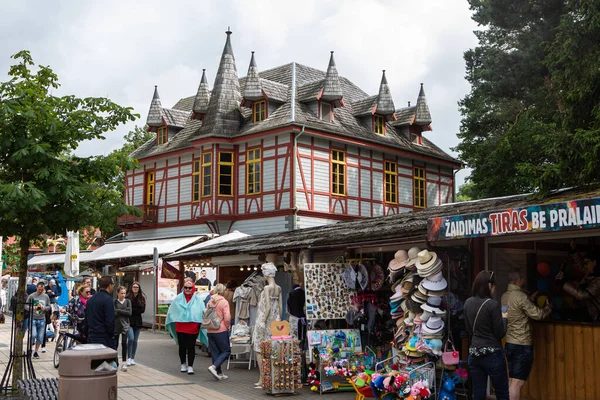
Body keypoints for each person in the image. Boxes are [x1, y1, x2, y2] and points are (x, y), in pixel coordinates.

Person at [501, 268, 551, 400]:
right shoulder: (521, 297)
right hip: (522, 345)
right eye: (523, 278)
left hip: (510, 343)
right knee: (517, 382)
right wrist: (548, 307)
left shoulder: (504, 296)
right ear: (519, 280)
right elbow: (538, 314)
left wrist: (530, 298)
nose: (525, 280)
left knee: (512, 380)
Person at [464, 271, 509, 400]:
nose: (494, 290)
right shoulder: (492, 304)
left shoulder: (467, 303)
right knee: (502, 393)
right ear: (489, 286)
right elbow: (500, 333)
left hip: (474, 353)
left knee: (478, 393)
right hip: (492, 354)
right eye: (494, 286)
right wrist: (505, 318)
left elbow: (468, 329)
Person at [166, 280, 205, 375]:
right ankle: (183, 363)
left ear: (193, 288)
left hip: (193, 326)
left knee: (191, 346)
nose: (187, 289)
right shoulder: (178, 298)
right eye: (186, 287)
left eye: (190, 288)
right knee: (182, 346)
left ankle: (190, 366)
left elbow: (202, 311)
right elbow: (172, 311)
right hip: (181, 326)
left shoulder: (198, 300)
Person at [559, 252, 600, 321]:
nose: (585, 266)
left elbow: (582, 295)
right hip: (589, 314)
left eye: (587, 263)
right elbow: (580, 266)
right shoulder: (590, 275)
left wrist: (564, 283)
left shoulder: (598, 281)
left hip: (596, 318)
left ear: (595, 262)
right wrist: (574, 251)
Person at [205, 283, 232, 381]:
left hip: (210, 329)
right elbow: (227, 317)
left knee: (215, 351)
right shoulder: (224, 302)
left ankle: (219, 373)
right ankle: (214, 367)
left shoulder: (210, 300)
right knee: (226, 351)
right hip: (221, 329)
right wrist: (228, 326)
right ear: (223, 291)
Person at [85, 276, 116, 349]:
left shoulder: (91, 300)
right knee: (108, 359)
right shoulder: (108, 300)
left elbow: (87, 318)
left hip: (92, 335)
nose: (113, 286)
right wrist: (111, 334)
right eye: (113, 284)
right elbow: (110, 320)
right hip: (104, 336)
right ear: (109, 285)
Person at [25, 282, 51, 359]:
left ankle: (36, 352)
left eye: (42, 289)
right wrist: (32, 308)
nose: (40, 290)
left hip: (42, 319)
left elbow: (49, 306)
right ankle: (30, 347)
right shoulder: (32, 296)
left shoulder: (46, 296)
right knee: (33, 334)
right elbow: (26, 305)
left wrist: (45, 308)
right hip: (33, 317)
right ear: (37, 287)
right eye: (39, 288)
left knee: (40, 336)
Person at [126, 281, 146, 366]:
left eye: (137, 287)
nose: (135, 288)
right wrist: (135, 310)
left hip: (137, 321)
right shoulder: (127, 297)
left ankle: (132, 358)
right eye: (134, 287)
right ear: (131, 288)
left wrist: (133, 310)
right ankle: (128, 357)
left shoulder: (142, 298)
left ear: (139, 289)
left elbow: (142, 310)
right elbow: (127, 310)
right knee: (131, 338)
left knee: (135, 341)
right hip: (129, 321)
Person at [114, 286, 131, 371]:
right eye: (121, 293)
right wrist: (123, 311)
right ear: (118, 293)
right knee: (115, 344)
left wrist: (119, 311)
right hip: (116, 325)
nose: (123, 295)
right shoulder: (114, 302)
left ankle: (124, 362)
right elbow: (114, 313)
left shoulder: (128, 301)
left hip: (125, 325)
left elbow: (129, 313)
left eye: (124, 293)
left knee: (124, 343)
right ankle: (115, 361)